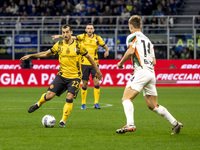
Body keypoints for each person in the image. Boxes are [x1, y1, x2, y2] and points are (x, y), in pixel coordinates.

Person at [20, 24, 102, 128]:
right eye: (63, 32)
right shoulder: (58, 45)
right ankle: (38, 104)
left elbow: (90, 57)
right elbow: (46, 54)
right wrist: (31, 55)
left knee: (69, 96)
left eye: (67, 32)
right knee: (49, 95)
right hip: (62, 75)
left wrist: (98, 70)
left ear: (71, 33)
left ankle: (63, 121)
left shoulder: (78, 45)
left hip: (75, 77)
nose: (65, 34)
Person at [116, 15, 183, 135]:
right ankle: (175, 123)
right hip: (151, 73)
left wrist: (121, 63)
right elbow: (154, 61)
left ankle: (130, 124)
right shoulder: (148, 40)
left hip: (142, 71)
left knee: (126, 98)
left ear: (131, 26)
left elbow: (131, 51)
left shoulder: (132, 36)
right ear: (140, 26)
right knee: (152, 105)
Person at [52, 23, 109, 110]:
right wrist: (59, 36)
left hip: (94, 63)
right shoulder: (82, 37)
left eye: (91, 28)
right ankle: (83, 103)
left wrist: (107, 51)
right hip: (84, 64)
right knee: (85, 83)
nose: (89, 30)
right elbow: (71, 37)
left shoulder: (97, 38)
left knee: (96, 82)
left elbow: (105, 47)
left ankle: (96, 103)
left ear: (93, 30)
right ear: (86, 30)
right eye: (88, 28)